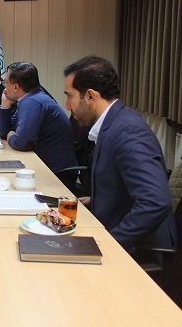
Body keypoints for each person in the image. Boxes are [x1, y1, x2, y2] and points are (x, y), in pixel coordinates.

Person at [63, 56, 176, 252]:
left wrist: (109, 245)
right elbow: (121, 182)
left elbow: (155, 202)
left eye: (69, 96)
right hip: (113, 228)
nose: (67, 105)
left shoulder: (127, 131)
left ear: (90, 96)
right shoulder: (112, 123)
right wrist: (97, 199)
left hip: (137, 249)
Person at [0, 62, 76, 189]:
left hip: (56, 175)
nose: (4, 87)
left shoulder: (32, 102)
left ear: (16, 87)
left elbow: (21, 143)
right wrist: (5, 104)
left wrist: (11, 135)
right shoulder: (29, 98)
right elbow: (4, 132)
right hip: (43, 166)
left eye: (5, 83)